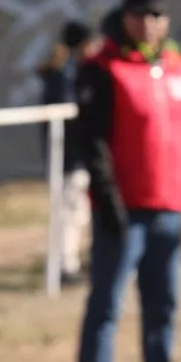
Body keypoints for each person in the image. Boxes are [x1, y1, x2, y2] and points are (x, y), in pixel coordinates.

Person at [71, 0, 181, 362]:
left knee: (163, 306)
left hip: (168, 207)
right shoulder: (102, 69)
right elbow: (91, 142)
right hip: (124, 212)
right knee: (106, 306)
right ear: (124, 18)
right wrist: (108, 200)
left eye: (156, 14)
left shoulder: (180, 69)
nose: (147, 22)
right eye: (139, 14)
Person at [38, 20, 102, 283]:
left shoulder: (67, 71)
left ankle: (68, 263)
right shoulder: (65, 74)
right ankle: (65, 266)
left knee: (75, 211)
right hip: (69, 156)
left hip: (72, 156)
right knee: (69, 212)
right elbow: (70, 114)